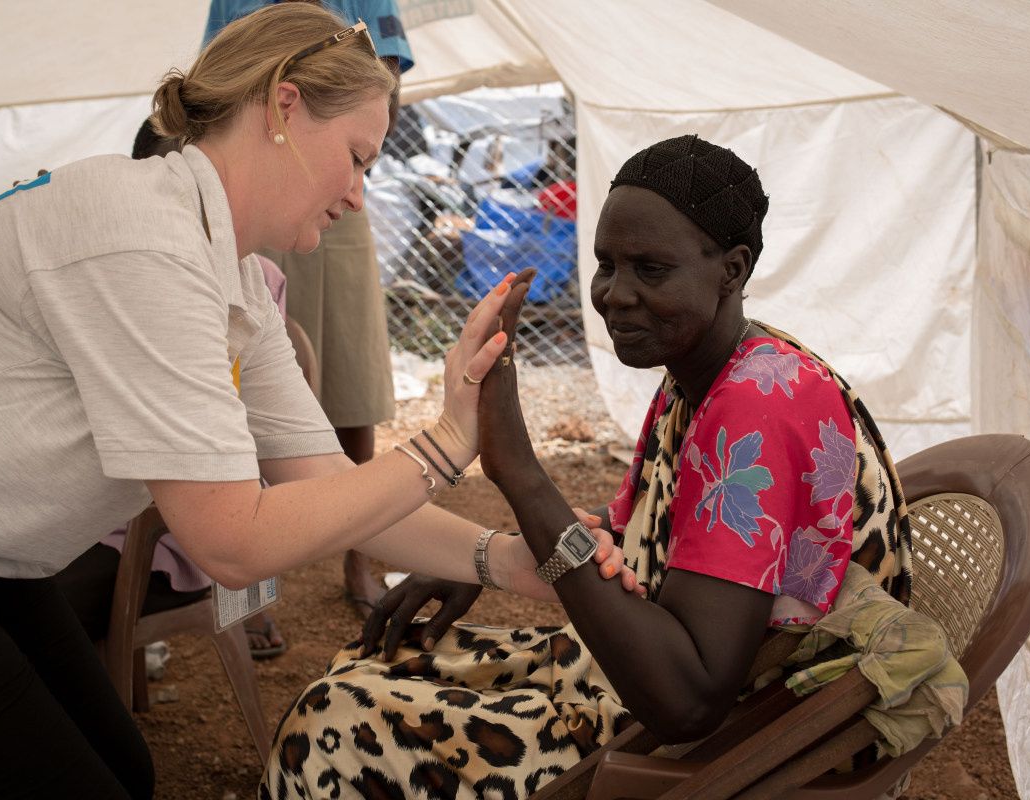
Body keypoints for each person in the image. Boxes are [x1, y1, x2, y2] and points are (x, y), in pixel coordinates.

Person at [0, 6, 636, 798]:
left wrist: (507, 560)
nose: (359, 196)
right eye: (357, 158)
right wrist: (447, 439)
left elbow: (322, 482)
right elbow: (230, 543)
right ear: (284, 107)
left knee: (125, 767)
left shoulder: (232, 276)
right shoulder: (141, 239)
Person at [260, 135, 914, 799]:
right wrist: (483, 558)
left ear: (732, 270)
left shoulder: (756, 405)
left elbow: (687, 702)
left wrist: (518, 472)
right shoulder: (715, 374)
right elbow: (636, 536)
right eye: (607, 264)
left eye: (650, 269)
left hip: (748, 745)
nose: (613, 294)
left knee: (329, 723)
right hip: (676, 693)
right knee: (377, 665)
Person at [52, 119, 292, 659]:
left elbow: (263, 437)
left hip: (167, 526)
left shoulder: (257, 279)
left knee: (22, 613)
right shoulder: (115, 261)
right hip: (91, 504)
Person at [205, 0, 414, 620]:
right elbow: (218, 82)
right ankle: (252, 580)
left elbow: (383, 87)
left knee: (350, 366)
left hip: (320, 164)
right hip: (273, 178)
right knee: (242, 380)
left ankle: (359, 550)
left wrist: (353, 162)